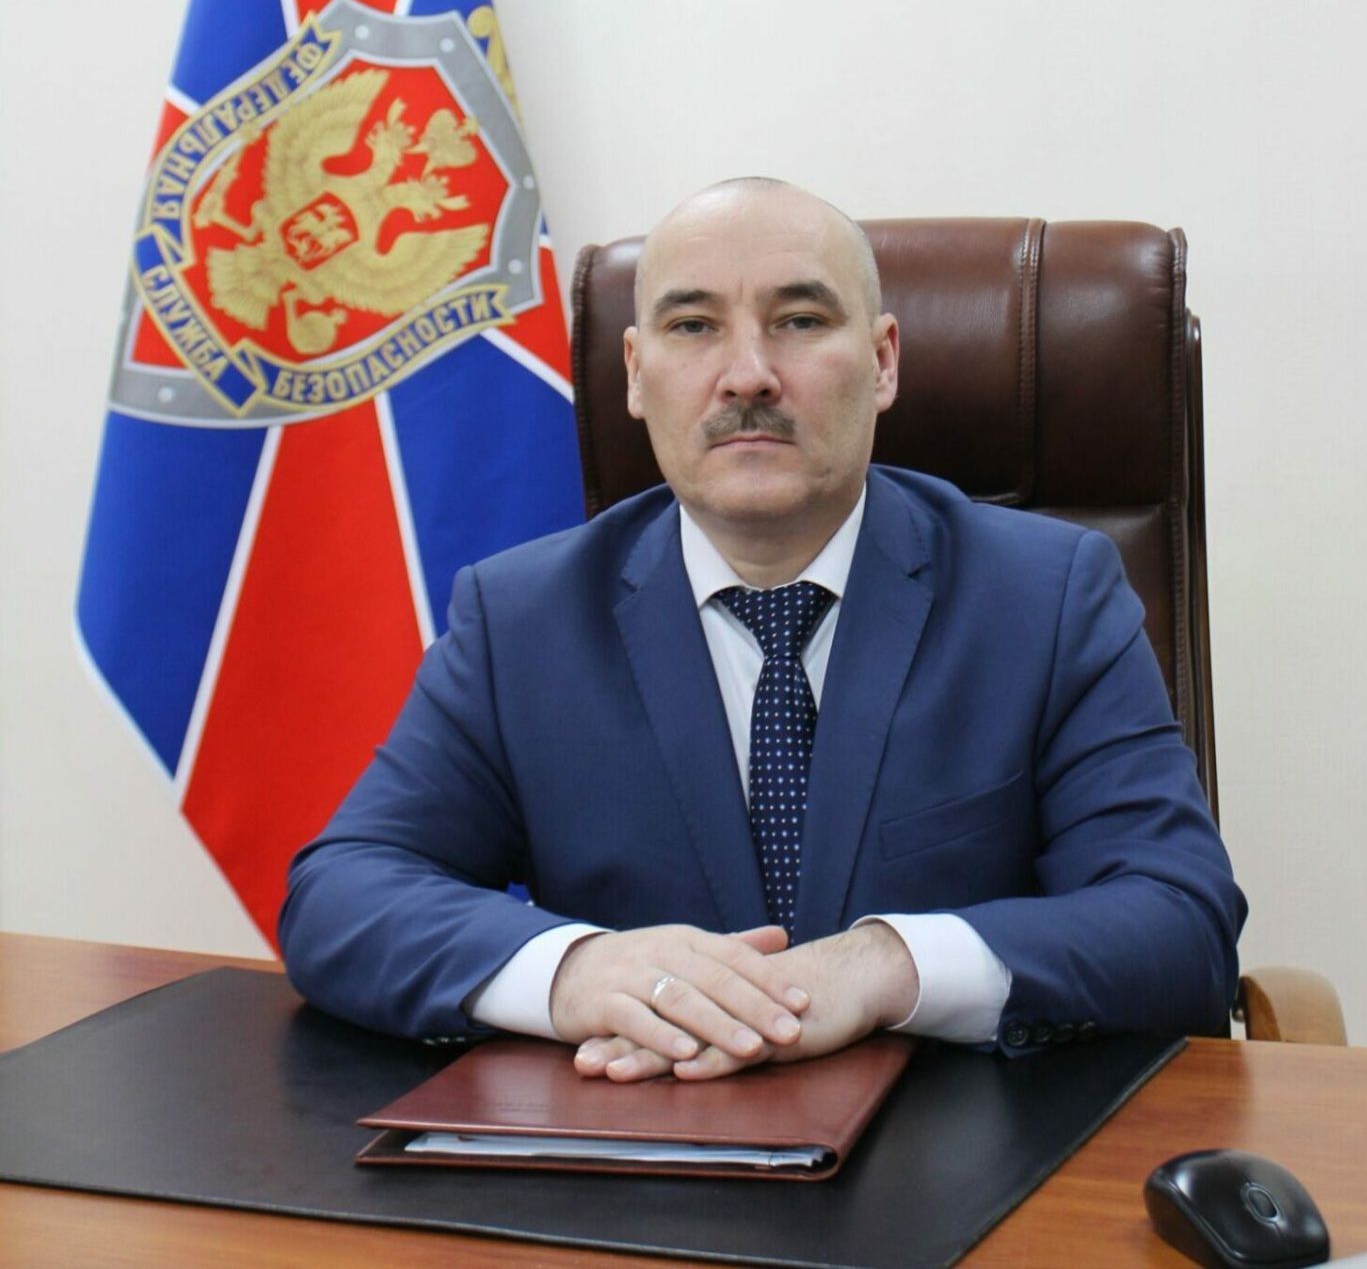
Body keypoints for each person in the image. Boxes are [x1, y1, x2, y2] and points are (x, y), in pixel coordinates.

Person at [280, 178, 1246, 1081]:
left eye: (800, 321)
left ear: (883, 361)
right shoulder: (522, 620)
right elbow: (343, 896)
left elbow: (1179, 922)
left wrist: (887, 965)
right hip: (639, 1150)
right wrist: (577, 972)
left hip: (963, 1152)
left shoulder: (1047, 595)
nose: (747, 375)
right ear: (635, 375)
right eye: (693, 326)